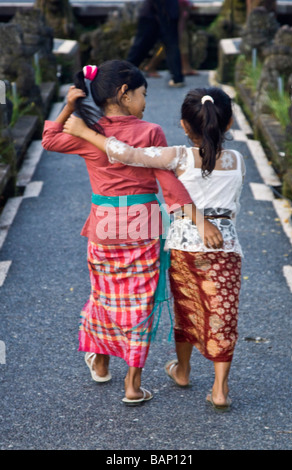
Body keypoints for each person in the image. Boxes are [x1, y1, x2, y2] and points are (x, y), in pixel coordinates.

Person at [42, 61, 222, 406]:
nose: (145, 101)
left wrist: (68, 105)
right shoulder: (150, 132)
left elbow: (49, 140)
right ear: (125, 94)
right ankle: (132, 385)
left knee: (105, 296)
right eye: (142, 94)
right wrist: (199, 221)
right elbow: (168, 182)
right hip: (143, 227)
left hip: (105, 227)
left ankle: (101, 361)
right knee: (139, 304)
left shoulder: (87, 131)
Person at [127, 0, 184, 87]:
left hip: (155, 12)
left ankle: (125, 73)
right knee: (170, 44)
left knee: (141, 46)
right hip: (167, 11)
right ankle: (177, 77)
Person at [144, 0, 199, 78]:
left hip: (179, 9)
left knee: (182, 39)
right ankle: (151, 66)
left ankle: (186, 66)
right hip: (175, 10)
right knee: (172, 42)